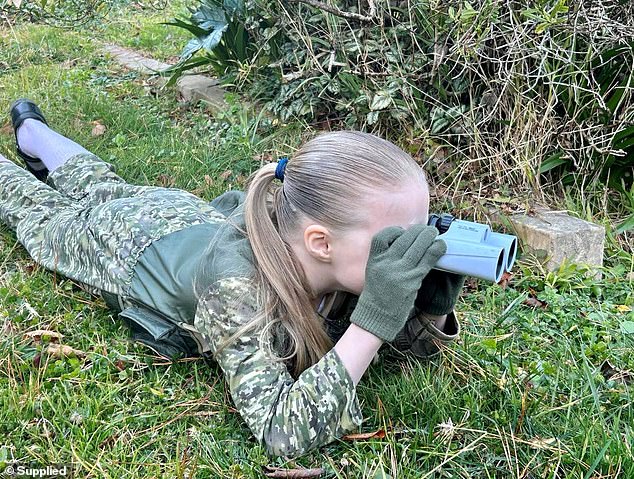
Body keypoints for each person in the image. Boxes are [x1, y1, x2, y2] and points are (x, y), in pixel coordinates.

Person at [0, 99, 465, 457]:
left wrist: (430, 309)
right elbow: (281, 432)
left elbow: (408, 356)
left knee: (105, 184)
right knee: (40, 213)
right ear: (321, 243)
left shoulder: (331, 262)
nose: (414, 250)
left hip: (182, 216)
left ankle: (33, 132)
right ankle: (30, 140)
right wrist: (371, 323)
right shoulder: (238, 292)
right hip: (126, 246)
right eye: (396, 240)